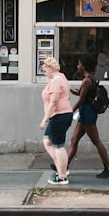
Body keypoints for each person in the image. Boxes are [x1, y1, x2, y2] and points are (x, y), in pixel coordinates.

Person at [66, 54, 109, 178]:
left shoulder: (87, 80)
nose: (78, 66)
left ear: (84, 66)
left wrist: (71, 111)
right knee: (74, 140)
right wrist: (75, 91)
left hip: (87, 113)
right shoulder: (89, 79)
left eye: (79, 64)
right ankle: (63, 166)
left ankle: (108, 167)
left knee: (96, 141)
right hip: (85, 112)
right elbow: (84, 95)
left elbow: (82, 99)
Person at [39, 56, 73, 186]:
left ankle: (62, 176)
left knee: (58, 146)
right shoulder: (61, 77)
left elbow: (54, 102)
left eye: (45, 70)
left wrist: (44, 119)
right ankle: (61, 167)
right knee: (47, 140)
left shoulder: (56, 81)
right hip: (61, 115)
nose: (44, 73)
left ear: (51, 68)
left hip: (59, 115)